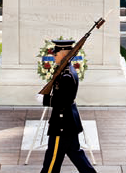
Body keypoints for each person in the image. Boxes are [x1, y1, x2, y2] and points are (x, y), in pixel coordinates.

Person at [40, 39, 97, 173]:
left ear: (65, 53)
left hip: (62, 124)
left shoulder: (67, 75)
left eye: (56, 52)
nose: (53, 55)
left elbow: (62, 101)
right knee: (77, 156)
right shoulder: (66, 71)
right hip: (68, 122)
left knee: (52, 161)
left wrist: (45, 99)